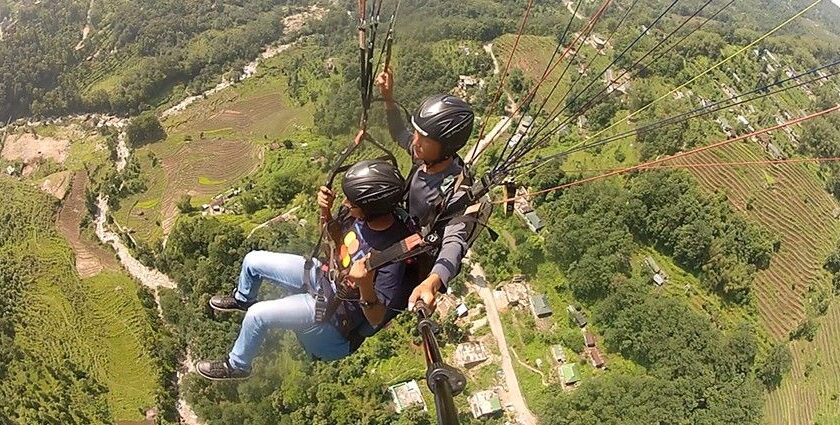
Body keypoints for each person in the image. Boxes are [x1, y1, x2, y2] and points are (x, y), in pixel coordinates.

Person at [196, 159, 413, 380]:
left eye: (353, 202)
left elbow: (377, 318)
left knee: (257, 316)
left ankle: (237, 365)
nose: (347, 203)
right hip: (324, 275)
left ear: (371, 208)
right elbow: (331, 240)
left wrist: (365, 284)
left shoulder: (390, 255)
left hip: (334, 313)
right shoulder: (357, 217)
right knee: (253, 261)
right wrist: (325, 211)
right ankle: (243, 298)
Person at [376, 68, 476, 312]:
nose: (416, 142)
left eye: (424, 138)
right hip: (398, 231)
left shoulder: (458, 190)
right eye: (418, 134)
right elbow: (400, 133)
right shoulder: (424, 156)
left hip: (413, 257)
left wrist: (434, 281)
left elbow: (455, 241)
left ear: (446, 146)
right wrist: (389, 99)